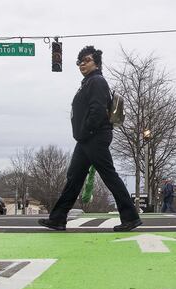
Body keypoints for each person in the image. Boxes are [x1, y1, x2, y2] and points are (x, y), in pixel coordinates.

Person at [38, 46, 142, 232]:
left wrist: (85, 131)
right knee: (74, 178)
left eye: (86, 60)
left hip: (94, 137)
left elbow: (97, 111)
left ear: (96, 62)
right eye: (79, 61)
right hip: (87, 138)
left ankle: (131, 217)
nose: (81, 64)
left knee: (109, 176)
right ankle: (58, 218)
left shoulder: (97, 82)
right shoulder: (88, 82)